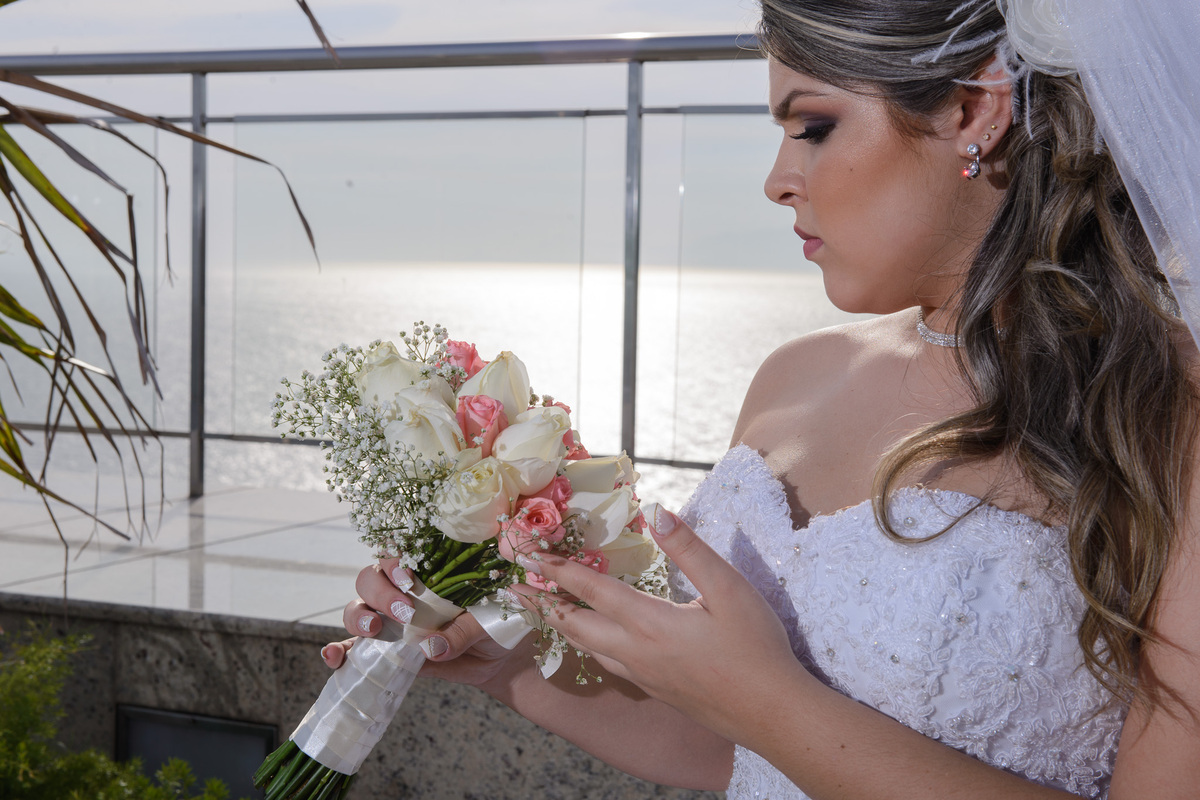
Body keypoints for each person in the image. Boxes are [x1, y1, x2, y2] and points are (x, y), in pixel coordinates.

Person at [322, 1, 1200, 797]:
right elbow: (734, 748)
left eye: (813, 126)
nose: (777, 180)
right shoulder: (794, 378)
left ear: (974, 110)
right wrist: (497, 665)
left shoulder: (1170, 415)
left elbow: (763, 713)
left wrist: (763, 698)